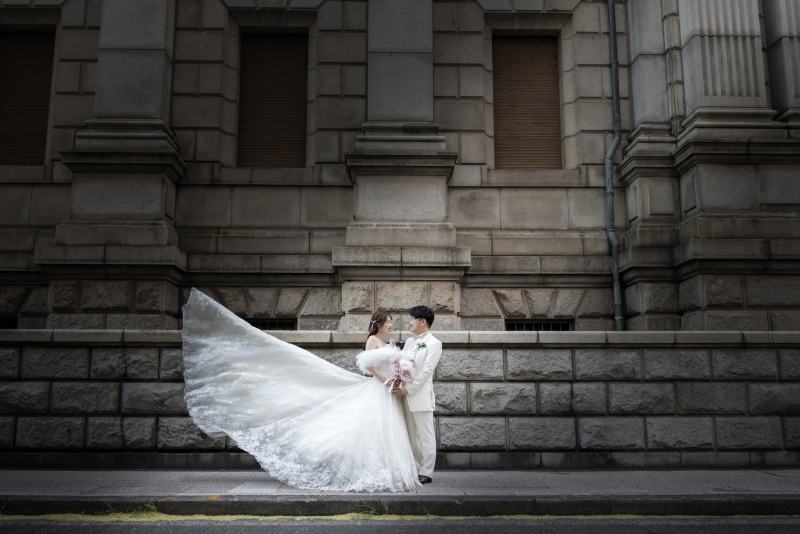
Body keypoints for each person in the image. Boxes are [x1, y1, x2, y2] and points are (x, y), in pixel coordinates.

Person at [180, 288, 420, 492]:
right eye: (388, 322)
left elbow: (389, 365)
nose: (391, 325)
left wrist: (396, 377)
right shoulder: (373, 341)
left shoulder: (388, 343)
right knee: (369, 431)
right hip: (378, 389)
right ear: (379, 323)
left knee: (383, 433)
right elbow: (367, 365)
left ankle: (387, 472)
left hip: (387, 391)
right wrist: (385, 381)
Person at [392, 305, 442, 485]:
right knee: (411, 435)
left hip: (419, 395)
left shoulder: (434, 343)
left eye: (413, 318)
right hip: (403, 394)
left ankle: (427, 472)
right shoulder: (410, 342)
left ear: (423, 321)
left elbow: (426, 371)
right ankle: (415, 468)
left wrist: (409, 389)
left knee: (425, 435)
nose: (410, 321)